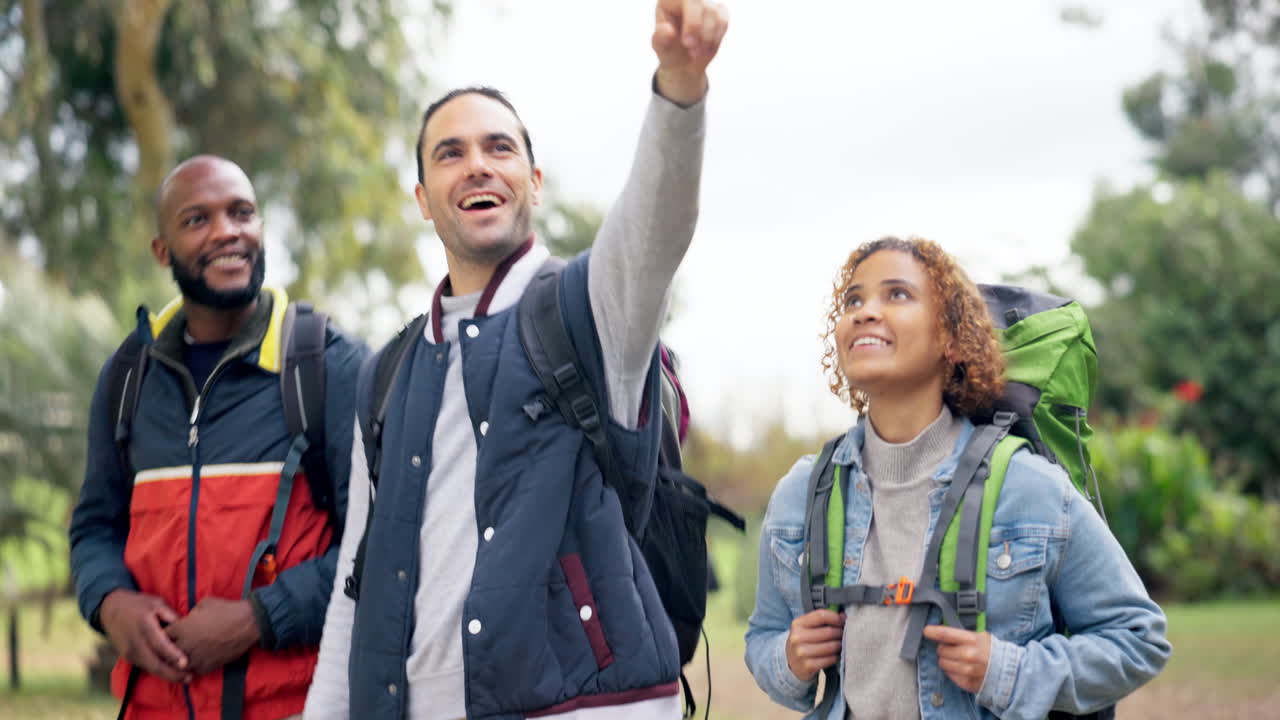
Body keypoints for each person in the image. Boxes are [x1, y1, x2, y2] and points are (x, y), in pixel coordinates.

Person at [302, 2, 728, 718]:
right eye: (451, 153)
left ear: (533, 181)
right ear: (422, 200)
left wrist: (679, 90)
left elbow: (654, 229)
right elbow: (357, 576)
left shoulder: (589, 312)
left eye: (499, 149)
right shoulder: (388, 372)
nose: (477, 166)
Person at [744, 237, 1171, 719]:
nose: (865, 312)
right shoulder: (802, 493)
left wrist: (1007, 670)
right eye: (854, 300)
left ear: (950, 338)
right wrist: (789, 659)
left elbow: (1138, 638)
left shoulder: (1027, 487)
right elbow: (763, 637)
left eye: (897, 294)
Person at [69, 155, 368, 720]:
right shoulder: (128, 377)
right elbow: (93, 526)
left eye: (241, 213)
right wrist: (111, 603)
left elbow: (378, 548)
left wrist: (258, 617)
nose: (227, 231)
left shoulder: (330, 367)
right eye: (197, 220)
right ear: (163, 251)